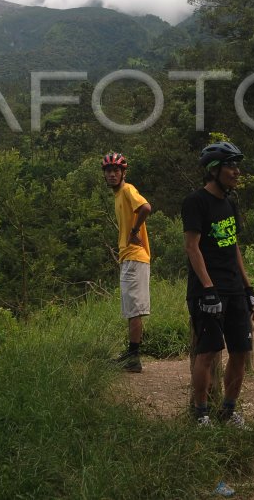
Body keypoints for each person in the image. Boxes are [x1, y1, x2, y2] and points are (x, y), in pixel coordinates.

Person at [181, 141, 254, 427]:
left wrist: (248, 288)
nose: (237, 172)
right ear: (214, 170)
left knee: (241, 351)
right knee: (208, 351)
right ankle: (201, 414)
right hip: (207, 291)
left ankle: (228, 410)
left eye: (238, 166)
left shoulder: (230, 203)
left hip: (234, 288)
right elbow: (192, 247)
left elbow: (233, 245)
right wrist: (209, 290)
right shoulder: (195, 202)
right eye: (231, 166)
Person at [103, 152, 153, 373]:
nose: (112, 174)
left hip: (134, 256)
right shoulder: (119, 195)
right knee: (131, 309)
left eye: (116, 171)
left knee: (134, 311)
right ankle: (131, 354)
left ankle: (134, 358)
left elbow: (146, 208)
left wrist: (134, 231)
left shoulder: (127, 190)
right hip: (128, 257)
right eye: (108, 171)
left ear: (123, 173)